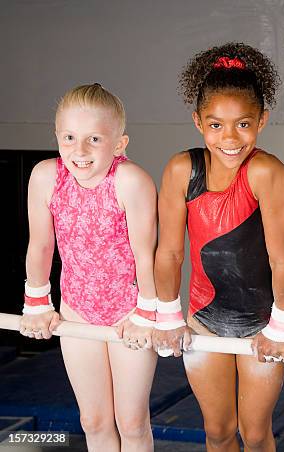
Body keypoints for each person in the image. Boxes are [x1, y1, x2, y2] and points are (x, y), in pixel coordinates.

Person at [153, 42, 284, 452]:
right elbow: (169, 252)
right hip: (204, 316)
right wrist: (168, 317)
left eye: (243, 124)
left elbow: (283, 258)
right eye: (216, 125)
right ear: (198, 121)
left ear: (262, 120)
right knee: (217, 432)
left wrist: (281, 326)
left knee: (254, 434)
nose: (230, 138)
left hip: (261, 322)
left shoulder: (267, 172)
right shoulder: (182, 169)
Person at [21, 83, 158, 451]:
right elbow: (41, 244)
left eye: (94, 139)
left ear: (119, 144)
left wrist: (146, 312)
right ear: (57, 136)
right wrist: (36, 302)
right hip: (77, 309)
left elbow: (147, 255)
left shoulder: (131, 181)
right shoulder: (46, 176)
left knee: (131, 422)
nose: (79, 151)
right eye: (69, 137)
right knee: (93, 420)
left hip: (129, 311)